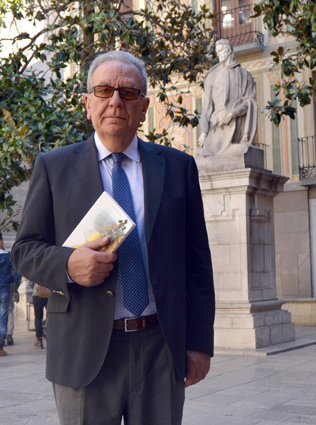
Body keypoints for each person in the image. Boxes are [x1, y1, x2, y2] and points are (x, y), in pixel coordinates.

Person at [11, 50, 215, 425]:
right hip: (83, 350)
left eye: (128, 92)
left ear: (144, 107)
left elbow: (197, 263)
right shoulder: (53, 167)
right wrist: (68, 265)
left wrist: (200, 343)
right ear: (88, 104)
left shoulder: (177, 167)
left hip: (160, 346)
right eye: (104, 91)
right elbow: (24, 251)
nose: (116, 101)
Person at [198, 38, 257, 157]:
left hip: (236, 121)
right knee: (207, 155)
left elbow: (249, 101)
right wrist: (204, 131)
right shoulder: (212, 75)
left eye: (220, 51)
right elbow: (206, 108)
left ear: (229, 50)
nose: (218, 54)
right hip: (217, 123)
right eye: (217, 52)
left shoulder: (245, 75)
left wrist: (233, 113)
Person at [0, 232, 21, 356]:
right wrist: (9, 280)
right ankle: (1, 346)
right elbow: (18, 273)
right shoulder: (8, 257)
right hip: (4, 290)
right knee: (3, 319)